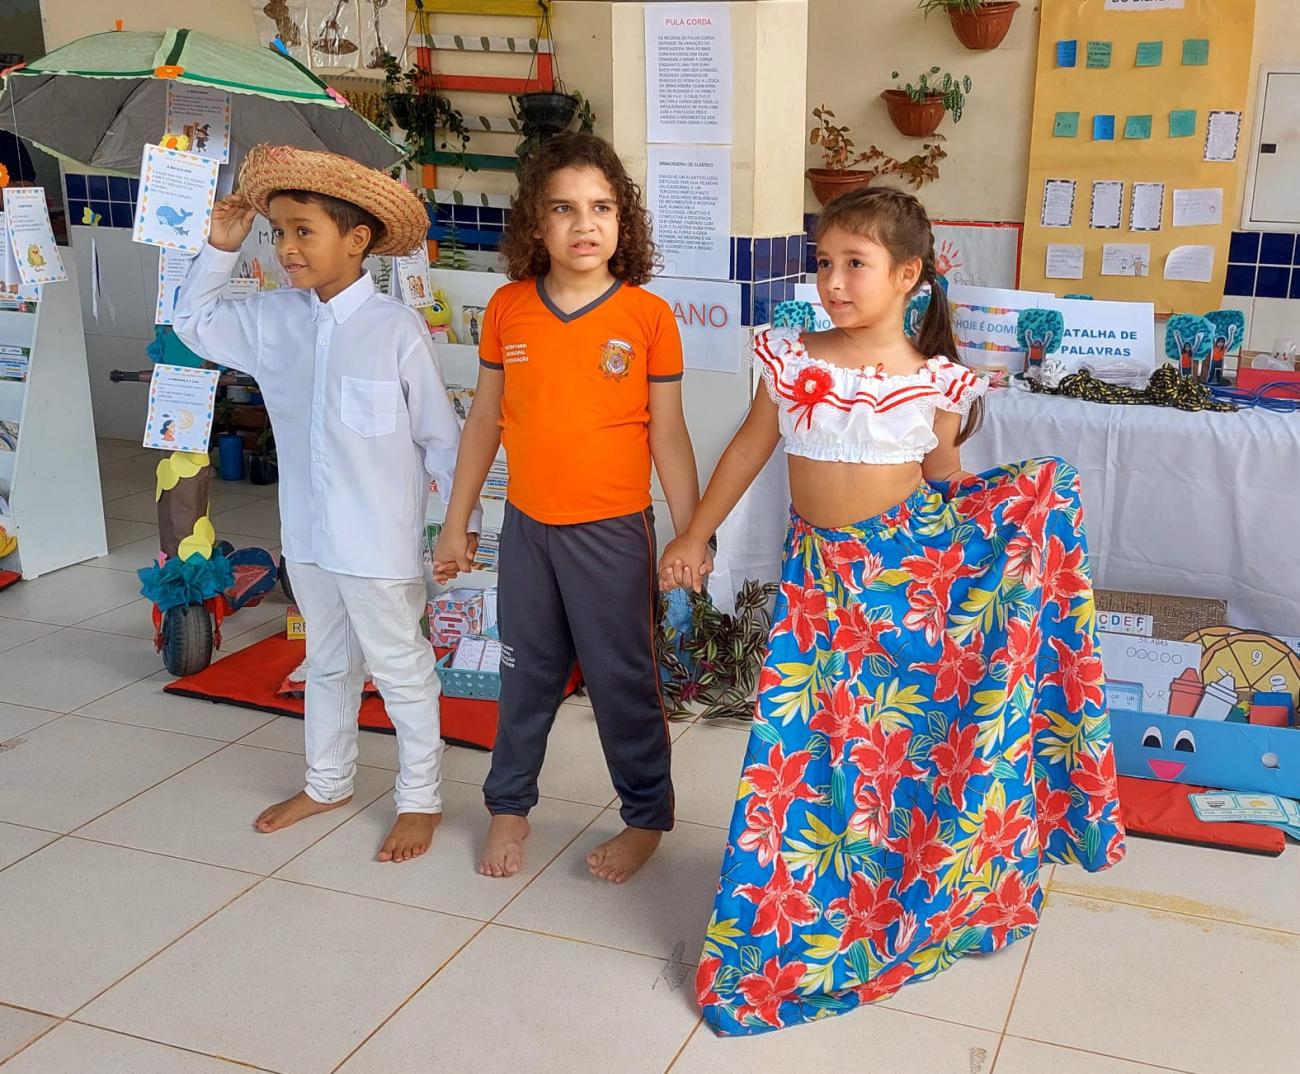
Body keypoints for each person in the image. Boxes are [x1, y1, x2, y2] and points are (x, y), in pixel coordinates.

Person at [662, 186, 1125, 1036]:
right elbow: (748, 449)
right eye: (824, 263)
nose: (833, 281)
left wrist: (1018, 521)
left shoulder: (938, 382)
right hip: (819, 587)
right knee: (806, 748)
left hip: (908, 587)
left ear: (909, 274)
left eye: (856, 263)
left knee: (896, 755)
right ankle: (792, 912)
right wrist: (694, 532)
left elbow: (944, 486)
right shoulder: (789, 356)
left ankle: (912, 892)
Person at [173, 144, 479, 863]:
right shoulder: (273, 319)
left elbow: (442, 441)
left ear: (358, 239)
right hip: (309, 537)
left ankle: (421, 799)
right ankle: (328, 782)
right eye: (278, 231)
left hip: (377, 541)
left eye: (303, 231)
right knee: (327, 661)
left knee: (400, 669)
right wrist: (222, 247)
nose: (286, 247)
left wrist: (455, 527)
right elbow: (193, 322)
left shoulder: (395, 330)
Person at [433, 133, 706, 884]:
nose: (584, 224)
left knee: (623, 684)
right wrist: (458, 523)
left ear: (623, 221)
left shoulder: (648, 317)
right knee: (523, 674)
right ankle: (509, 806)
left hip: (613, 534)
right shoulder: (508, 308)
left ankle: (645, 817)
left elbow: (669, 433)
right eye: (563, 208)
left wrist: (693, 533)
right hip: (527, 530)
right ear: (535, 222)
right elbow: (484, 421)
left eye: (602, 207)